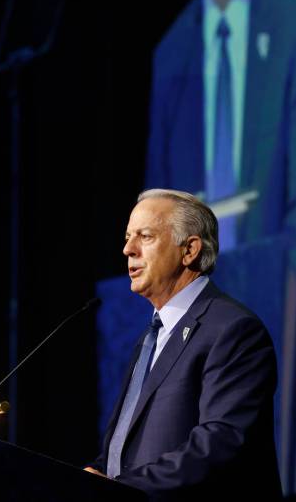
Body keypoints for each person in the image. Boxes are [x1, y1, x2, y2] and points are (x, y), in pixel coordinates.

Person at [144, 0, 296, 491]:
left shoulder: (292, 20)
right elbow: (154, 212)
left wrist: (293, 284)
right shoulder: (170, 53)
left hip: (272, 303)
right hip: (195, 315)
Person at [86, 189, 282, 499]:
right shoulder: (151, 337)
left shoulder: (233, 330)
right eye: (127, 237)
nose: (127, 249)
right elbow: (125, 450)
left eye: (145, 236)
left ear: (189, 250)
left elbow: (220, 443)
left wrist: (121, 489)